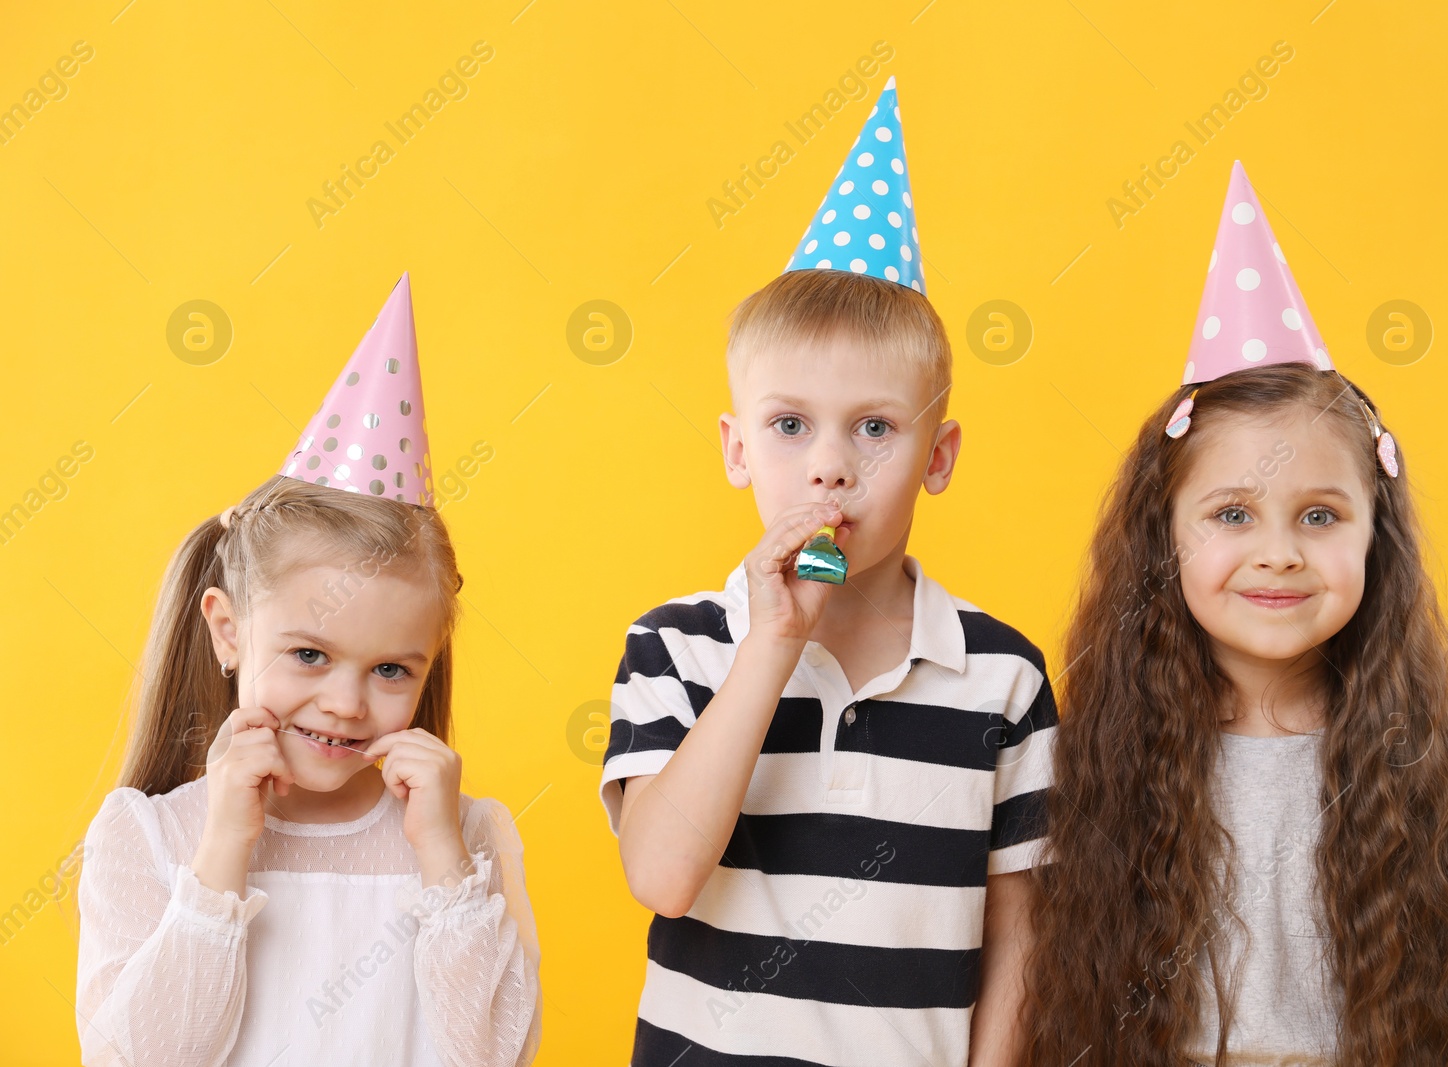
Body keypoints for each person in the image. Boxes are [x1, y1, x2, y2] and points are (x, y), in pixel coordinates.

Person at [1023, 162, 1448, 1067]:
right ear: (1162, 537)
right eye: (1232, 514)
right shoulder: (1109, 755)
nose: (1279, 552)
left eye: (1320, 515)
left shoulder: (1412, 754)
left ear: (1378, 537)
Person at [600, 77, 1057, 1066]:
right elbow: (664, 874)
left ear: (937, 459)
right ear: (735, 448)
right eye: (790, 423)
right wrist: (773, 640)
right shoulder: (676, 643)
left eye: (876, 427)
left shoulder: (1004, 676)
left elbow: (1020, 929)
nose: (829, 464)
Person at [75, 275, 541, 1067]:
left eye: (392, 668)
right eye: (309, 655)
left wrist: (442, 860)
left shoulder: (472, 836)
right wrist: (224, 847)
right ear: (227, 630)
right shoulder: (150, 835)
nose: (346, 702)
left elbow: (499, 1056)